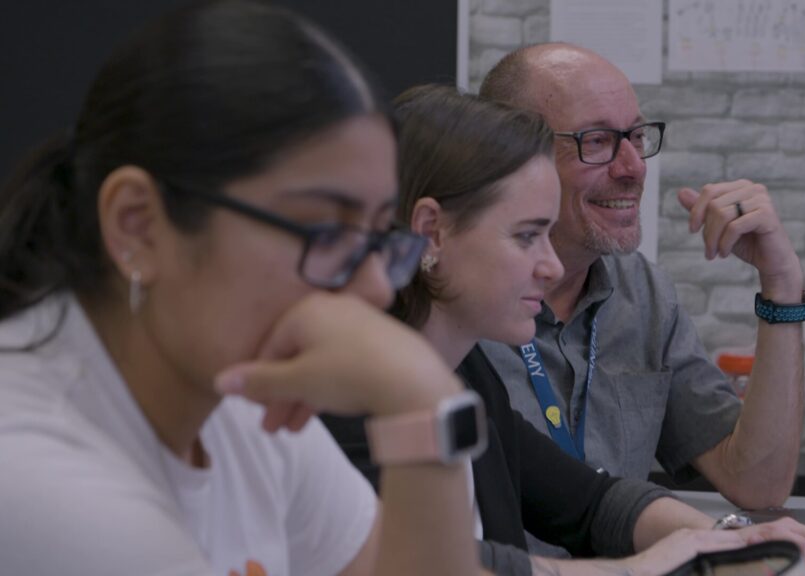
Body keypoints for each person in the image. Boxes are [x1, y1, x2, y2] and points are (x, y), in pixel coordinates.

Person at [0, 2, 485, 575]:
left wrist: (421, 405)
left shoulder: (239, 405)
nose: (377, 289)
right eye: (326, 231)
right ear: (138, 225)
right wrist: (422, 398)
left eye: (380, 238)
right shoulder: (35, 476)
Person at [326, 84, 805, 576]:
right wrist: (647, 566)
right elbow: (434, 566)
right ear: (430, 231)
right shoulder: (340, 396)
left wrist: (725, 540)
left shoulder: (464, 370)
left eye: (635, 138)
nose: (548, 266)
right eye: (527, 236)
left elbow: (589, 502)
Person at [474, 42, 805, 510]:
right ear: (509, 155)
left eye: (635, 136)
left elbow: (758, 483)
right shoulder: (456, 305)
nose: (633, 167)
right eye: (596, 141)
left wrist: (782, 284)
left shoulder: (645, 297)